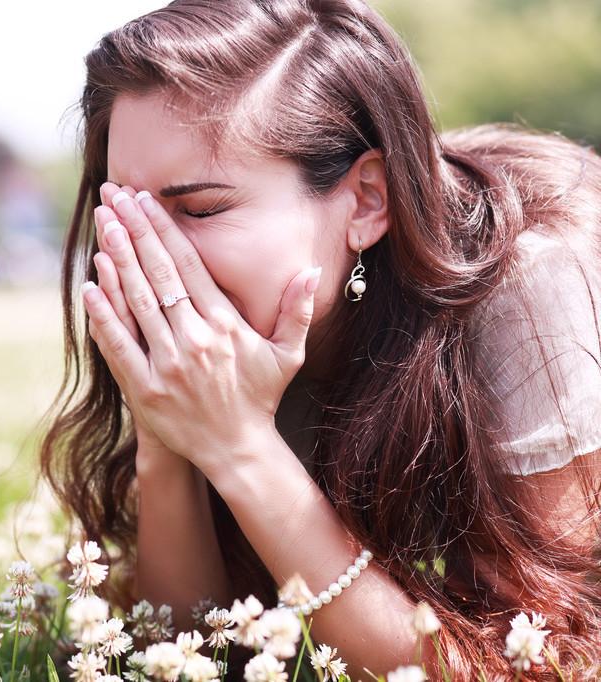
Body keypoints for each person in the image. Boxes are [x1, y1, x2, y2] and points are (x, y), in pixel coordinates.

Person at [36, 0, 601, 677]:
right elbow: (188, 649)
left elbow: (532, 660)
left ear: (366, 200)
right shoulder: (238, 331)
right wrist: (168, 434)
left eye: (200, 208)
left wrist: (239, 447)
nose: (146, 251)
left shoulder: (526, 279)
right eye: (122, 208)